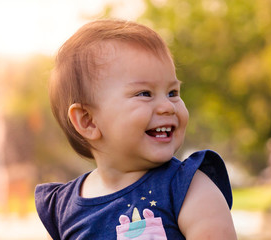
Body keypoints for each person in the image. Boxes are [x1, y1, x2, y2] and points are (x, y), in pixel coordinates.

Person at [35, 19, 237, 240]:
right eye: (145, 94)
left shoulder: (189, 188)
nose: (168, 107)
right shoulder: (62, 211)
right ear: (88, 121)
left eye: (173, 92)